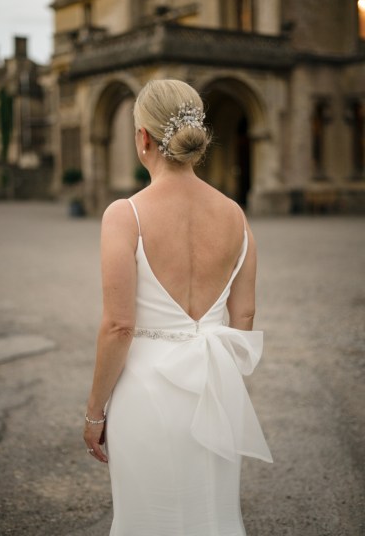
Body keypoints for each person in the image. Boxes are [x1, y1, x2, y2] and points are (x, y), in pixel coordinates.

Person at [84, 79, 273, 535]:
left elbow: (118, 326)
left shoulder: (124, 214)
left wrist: (94, 413)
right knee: (211, 514)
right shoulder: (235, 214)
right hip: (214, 388)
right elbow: (243, 317)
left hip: (146, 393)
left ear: (142, 138)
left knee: (147, 518)